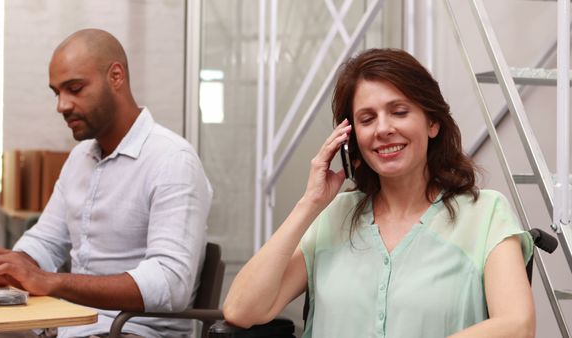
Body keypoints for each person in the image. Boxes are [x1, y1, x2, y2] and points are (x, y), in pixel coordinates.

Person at [223, 48, 535, 338]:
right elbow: (241, 310)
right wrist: (310, 203)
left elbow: (518, 325)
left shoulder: (485, 214)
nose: (382, 129)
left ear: (433, 123)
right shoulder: (333, 216)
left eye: (399, 111)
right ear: (352, 138)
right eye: (367, 119)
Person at [0, 29, 212, 338]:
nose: (62, 105)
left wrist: (52, 281)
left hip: (129, 331)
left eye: (74, 88)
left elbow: (170, 283)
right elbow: (44, 242)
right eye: (56, 92)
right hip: (72, 325)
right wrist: (5, 263)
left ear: (116, 76)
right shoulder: (80, 158)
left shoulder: (172, 160)